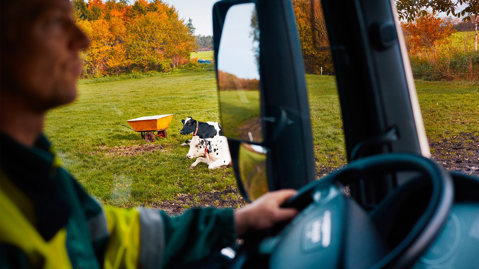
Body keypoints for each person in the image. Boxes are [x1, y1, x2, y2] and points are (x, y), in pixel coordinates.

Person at [0, 0, 298, 268]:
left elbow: (116, 238)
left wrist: (236, 221)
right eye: (53, 21)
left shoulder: (35, 169)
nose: (83, 39)